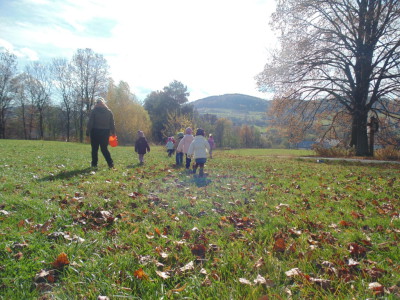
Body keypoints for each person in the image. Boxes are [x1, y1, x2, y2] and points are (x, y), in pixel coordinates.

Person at [86, 97, 116, 168]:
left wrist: (87, 133)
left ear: (96, 103)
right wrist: (113, 132)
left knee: (94, 149)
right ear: (103, 103)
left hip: (95, 131)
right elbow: (112, 123)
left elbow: (90, 123)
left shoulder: (94, 111)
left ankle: (94, 164)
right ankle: (110, 163)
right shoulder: (109, 112)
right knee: (104, 149)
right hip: (105, 132)